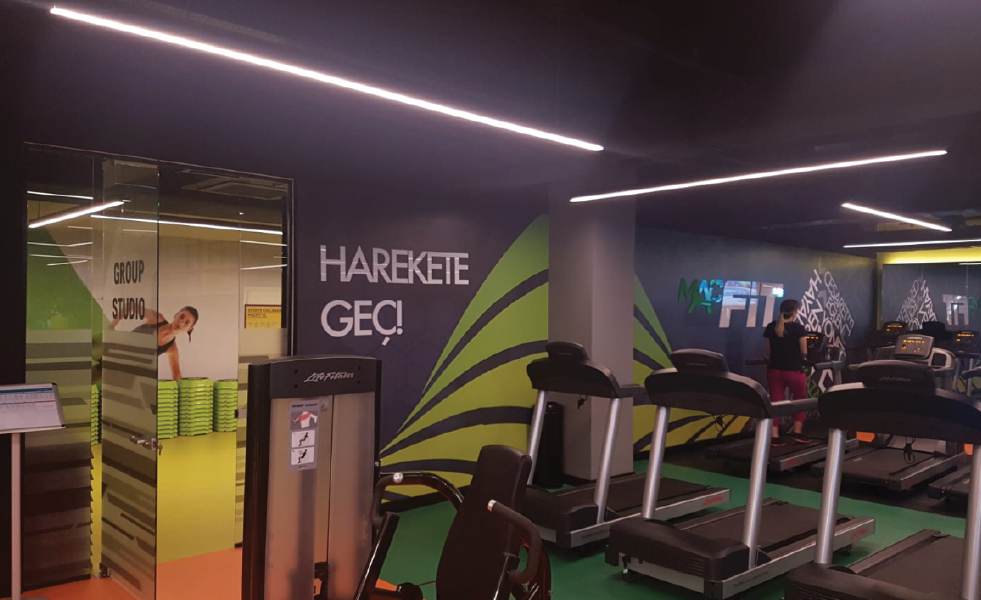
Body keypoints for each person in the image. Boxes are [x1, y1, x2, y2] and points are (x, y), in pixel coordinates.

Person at [113, 306, 199, 380]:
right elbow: (131, 306)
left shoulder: (171, 349)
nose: (181, 323)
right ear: (177, 314)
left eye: (187, 323)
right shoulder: (157, 319)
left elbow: (177, 377)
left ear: (189, 329)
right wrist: (113, 324)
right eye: (182, 317)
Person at [763, 299, 808, 439]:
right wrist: (804, 358)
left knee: (775, 403)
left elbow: (768, 352)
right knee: (800, 400)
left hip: (774, 371)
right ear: (795, 312)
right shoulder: (799, 329)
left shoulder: (771, 327)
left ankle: (774, 436)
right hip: (794, 371)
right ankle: (797, 432)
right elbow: (804, 351)